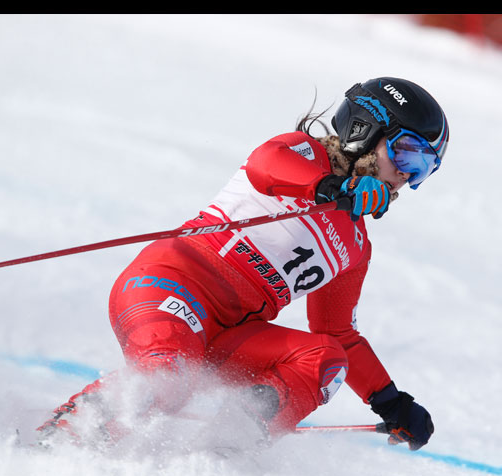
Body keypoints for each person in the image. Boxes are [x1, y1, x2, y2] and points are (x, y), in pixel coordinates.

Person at [36, 76, 449, 454]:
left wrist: (390, 400)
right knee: (167, 377)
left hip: (226, 337)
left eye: (422, 170)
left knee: (325, 359)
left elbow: (337, 331)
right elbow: (265, 165)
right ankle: (55, 447)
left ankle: (220, 455)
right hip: (170, 287)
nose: (405, 178)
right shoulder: (302, 155)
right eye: (406, 154)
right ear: (364, 130)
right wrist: (334, 186)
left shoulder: (355, 245)